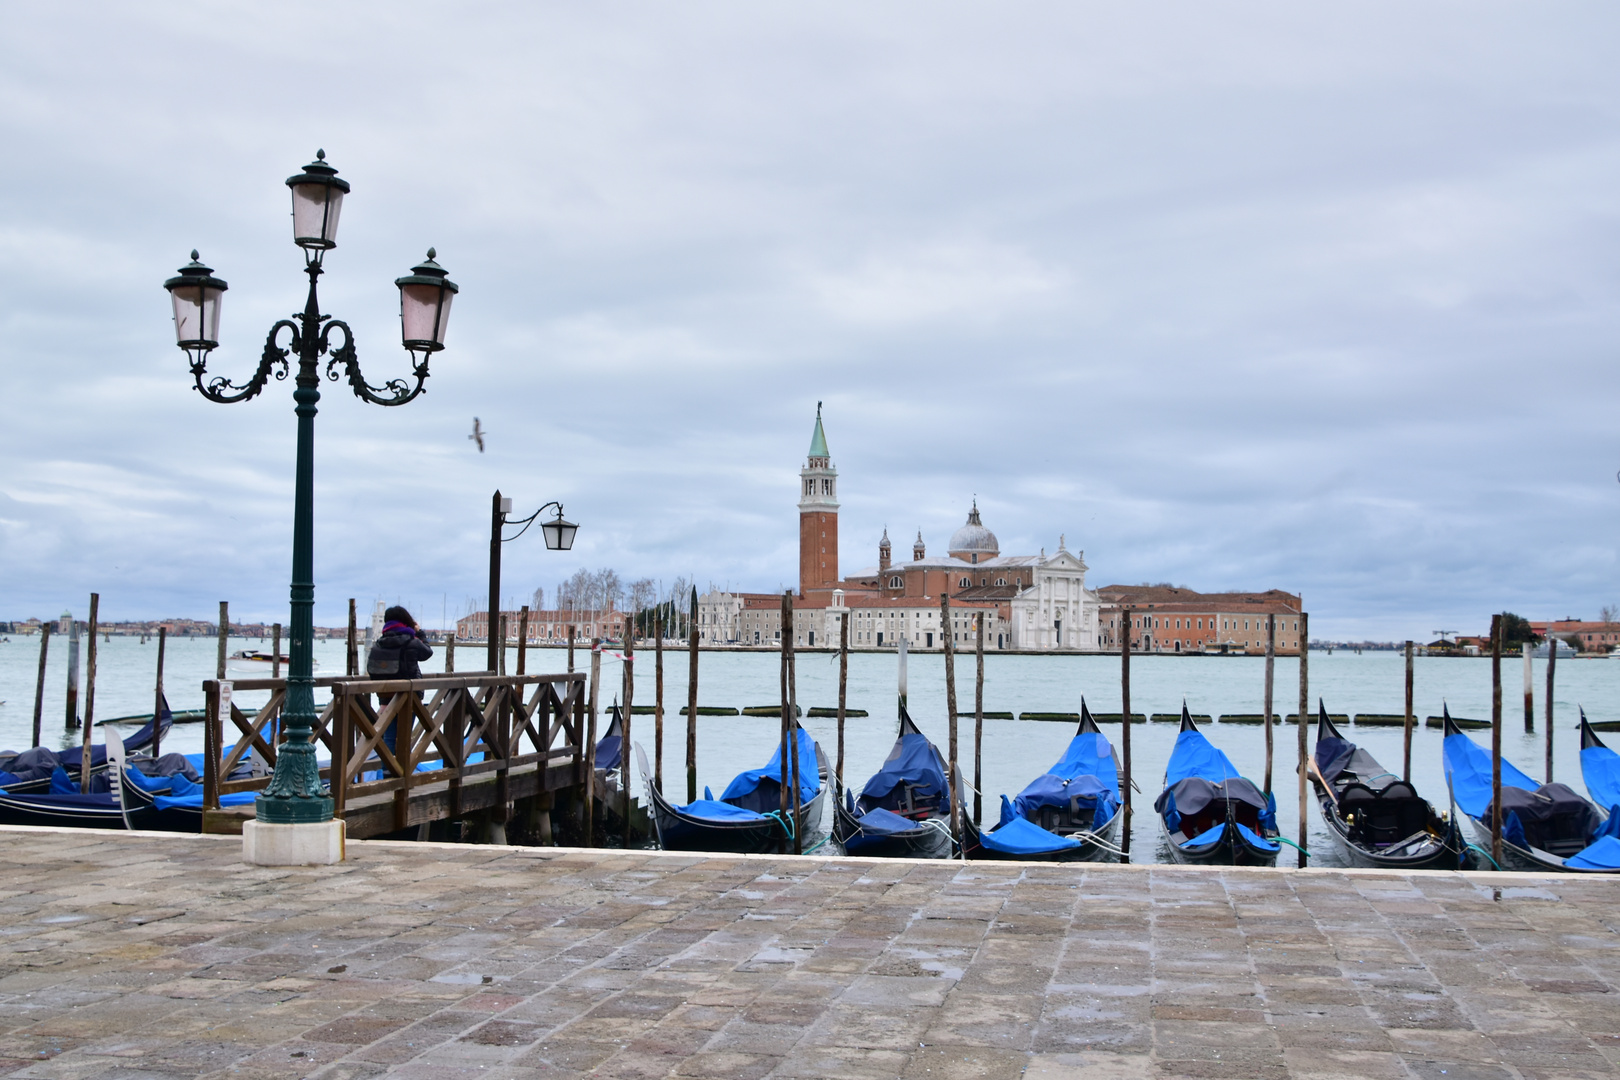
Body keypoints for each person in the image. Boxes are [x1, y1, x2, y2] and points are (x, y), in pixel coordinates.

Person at [366, 606, 433, 757]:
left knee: (389, 738)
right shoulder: (411, 641)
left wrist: (382, 696)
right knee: (404, 737)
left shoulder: (379, 643)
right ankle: (403, 775)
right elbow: (427, 652)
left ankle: (388, 773)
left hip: (386, 697)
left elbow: (374, 671)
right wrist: (419, 632)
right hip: (409, 697)